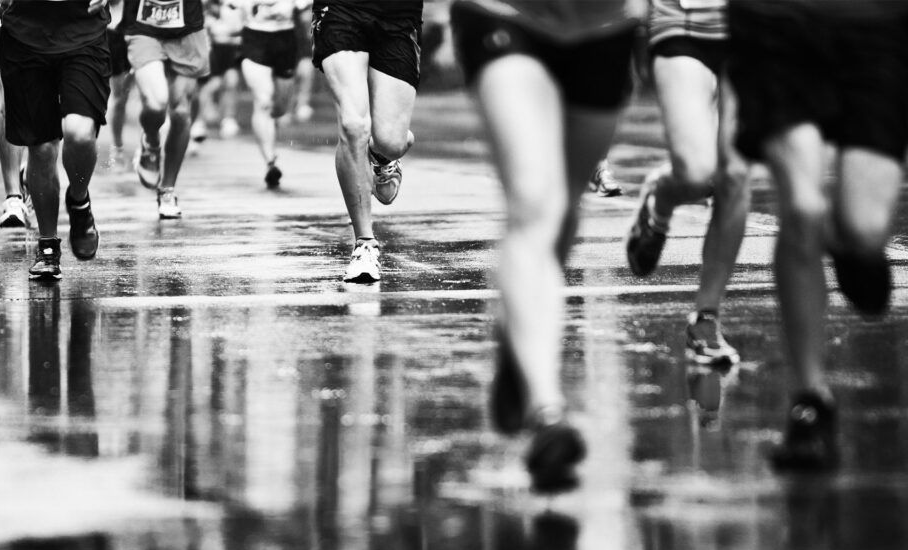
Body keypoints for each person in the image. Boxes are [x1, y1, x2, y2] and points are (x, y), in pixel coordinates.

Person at [450, 0, 643, 491]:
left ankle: (517, 339)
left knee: (564, 207)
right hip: (505, 13)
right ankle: (546, 410)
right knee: (534, 201)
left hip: (605, 23)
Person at [728, 0, 908, 470]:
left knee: (866, 230)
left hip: (876, 23)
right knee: (802, 207)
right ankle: (810, 399)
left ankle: (849, 240)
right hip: (775, 20)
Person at [625, 0, 749, 366]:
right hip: (682, 21)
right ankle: (660, 200)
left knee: (734, 175)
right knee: (697, 172)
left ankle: (706, 319)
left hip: (752, 28)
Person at [312, 0, 422, 283]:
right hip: (341, 9)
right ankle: (364, 244)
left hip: (398, 14)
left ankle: (382, 155)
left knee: (392, 141)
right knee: (353, 124)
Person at [0, 0, 109, 281]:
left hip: (83, 31)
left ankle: (79, 201)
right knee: (43, 147)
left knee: (80, 133)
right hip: (25, 36)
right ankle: (47, 245)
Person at [123, 0, 210, 220]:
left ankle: (168, 190)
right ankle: (151, 142)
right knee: (156, 102)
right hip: (144, 27)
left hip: (187, 28)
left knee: (181, 112)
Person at [237, 0, 304, 189]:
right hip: (254, 38)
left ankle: (270, 130)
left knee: (280, 107)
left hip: (285, 39)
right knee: (263, 101)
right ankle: (270, 161)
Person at [0, 0, 33, 228]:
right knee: (11, 91)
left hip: (50, 18)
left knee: (47, 98)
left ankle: (32, 170)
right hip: (2, 14)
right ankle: (13, 198)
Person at [198, 0, 243, 139]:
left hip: (234, 46)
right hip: (214, 47)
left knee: (232, 81)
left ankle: (228, 119)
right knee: (214, 84)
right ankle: (198, 121)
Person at [106, 0, 134, 172]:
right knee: (120, 98)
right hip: (110, 33)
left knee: (125, 97)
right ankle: (117, 149)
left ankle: (150, 144)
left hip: (138, 33)